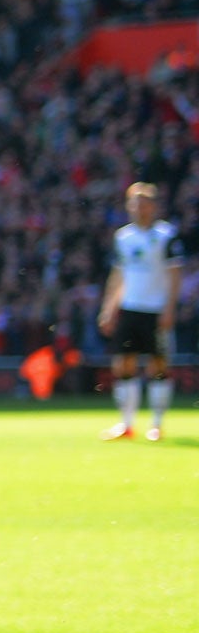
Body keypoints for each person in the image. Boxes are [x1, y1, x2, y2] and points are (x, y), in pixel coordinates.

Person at [98, 181, 184, 441]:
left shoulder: (166, 235)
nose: (139, 208)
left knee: (158, 365)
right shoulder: (123, 237)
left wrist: (169, 309)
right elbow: (119, 275)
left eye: (144, 203)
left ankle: (157, 424)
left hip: (155, 309)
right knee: (124, 363)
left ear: (153, 206)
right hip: (130, 308)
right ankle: (126, 424)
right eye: (134, 203)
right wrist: (109, 308)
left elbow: (175, 275)